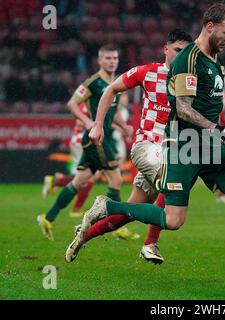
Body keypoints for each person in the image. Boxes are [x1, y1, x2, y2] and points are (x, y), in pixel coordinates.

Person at [67, 2, 225, 276]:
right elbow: (184, 108)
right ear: (209, 26)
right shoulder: (185, 60)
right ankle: (130, 225)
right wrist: (97, 125)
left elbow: (207, 108)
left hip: (208, 148)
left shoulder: (216, 61)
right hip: (179, 147)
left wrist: (222, 132)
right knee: (172, 219)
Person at [65, 29, 192, 263]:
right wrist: (98, 125)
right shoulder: (149, 72)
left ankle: (84, 235)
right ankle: (150, 244)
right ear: (166, 49)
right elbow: (110, 89)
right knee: (173, 180)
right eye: (177, 50)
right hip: (147, 146)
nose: (182, 56)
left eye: (186, 52)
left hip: (169, 151)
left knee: (127, 213)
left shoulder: (190, 82)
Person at [37, 44, 133, 241]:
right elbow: (71, 103)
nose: (112, 61)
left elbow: (111, 112)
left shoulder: (116, 83)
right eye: (107, 58)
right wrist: (88, 122)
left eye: (114, 58)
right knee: (116, 180)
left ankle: (48, 218)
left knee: (79, 182)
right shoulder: (93, 83)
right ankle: (115, 226)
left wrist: (124, 126)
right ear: (99, 61)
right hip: (97, 139)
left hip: (99, 139)